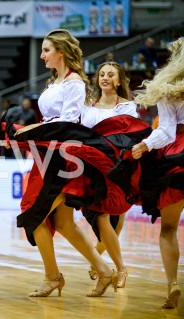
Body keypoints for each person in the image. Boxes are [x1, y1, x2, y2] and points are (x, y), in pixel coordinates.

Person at [5, 29, 119, 297]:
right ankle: (102, 271)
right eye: (42, 50)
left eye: (46, 50)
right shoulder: (54, 82)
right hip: (47, 155)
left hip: (64, 159)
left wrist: (32, 127)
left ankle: (53, 277)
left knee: (34, 216)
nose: (43, 55)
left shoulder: (75, 83)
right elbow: (51, 121)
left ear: (61, 52)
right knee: (65, 224)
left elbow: (69, 122)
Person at [131, 37, 184, 309]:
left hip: (176, 158)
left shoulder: (169, 89)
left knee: (169, 229)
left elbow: (166, 132)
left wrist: (143, 144)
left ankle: (173, 284)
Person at [80, 61, 142, 288]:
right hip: (88, 165)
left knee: (109, 215)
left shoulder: (126, 107)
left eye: (110, 75)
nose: (105, 77)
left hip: (115, 167)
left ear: (118, 81)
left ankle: (116, 268)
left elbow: (127, 137)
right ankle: (104, 263)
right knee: (97, 216)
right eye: (102, 74)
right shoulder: (87, 105)